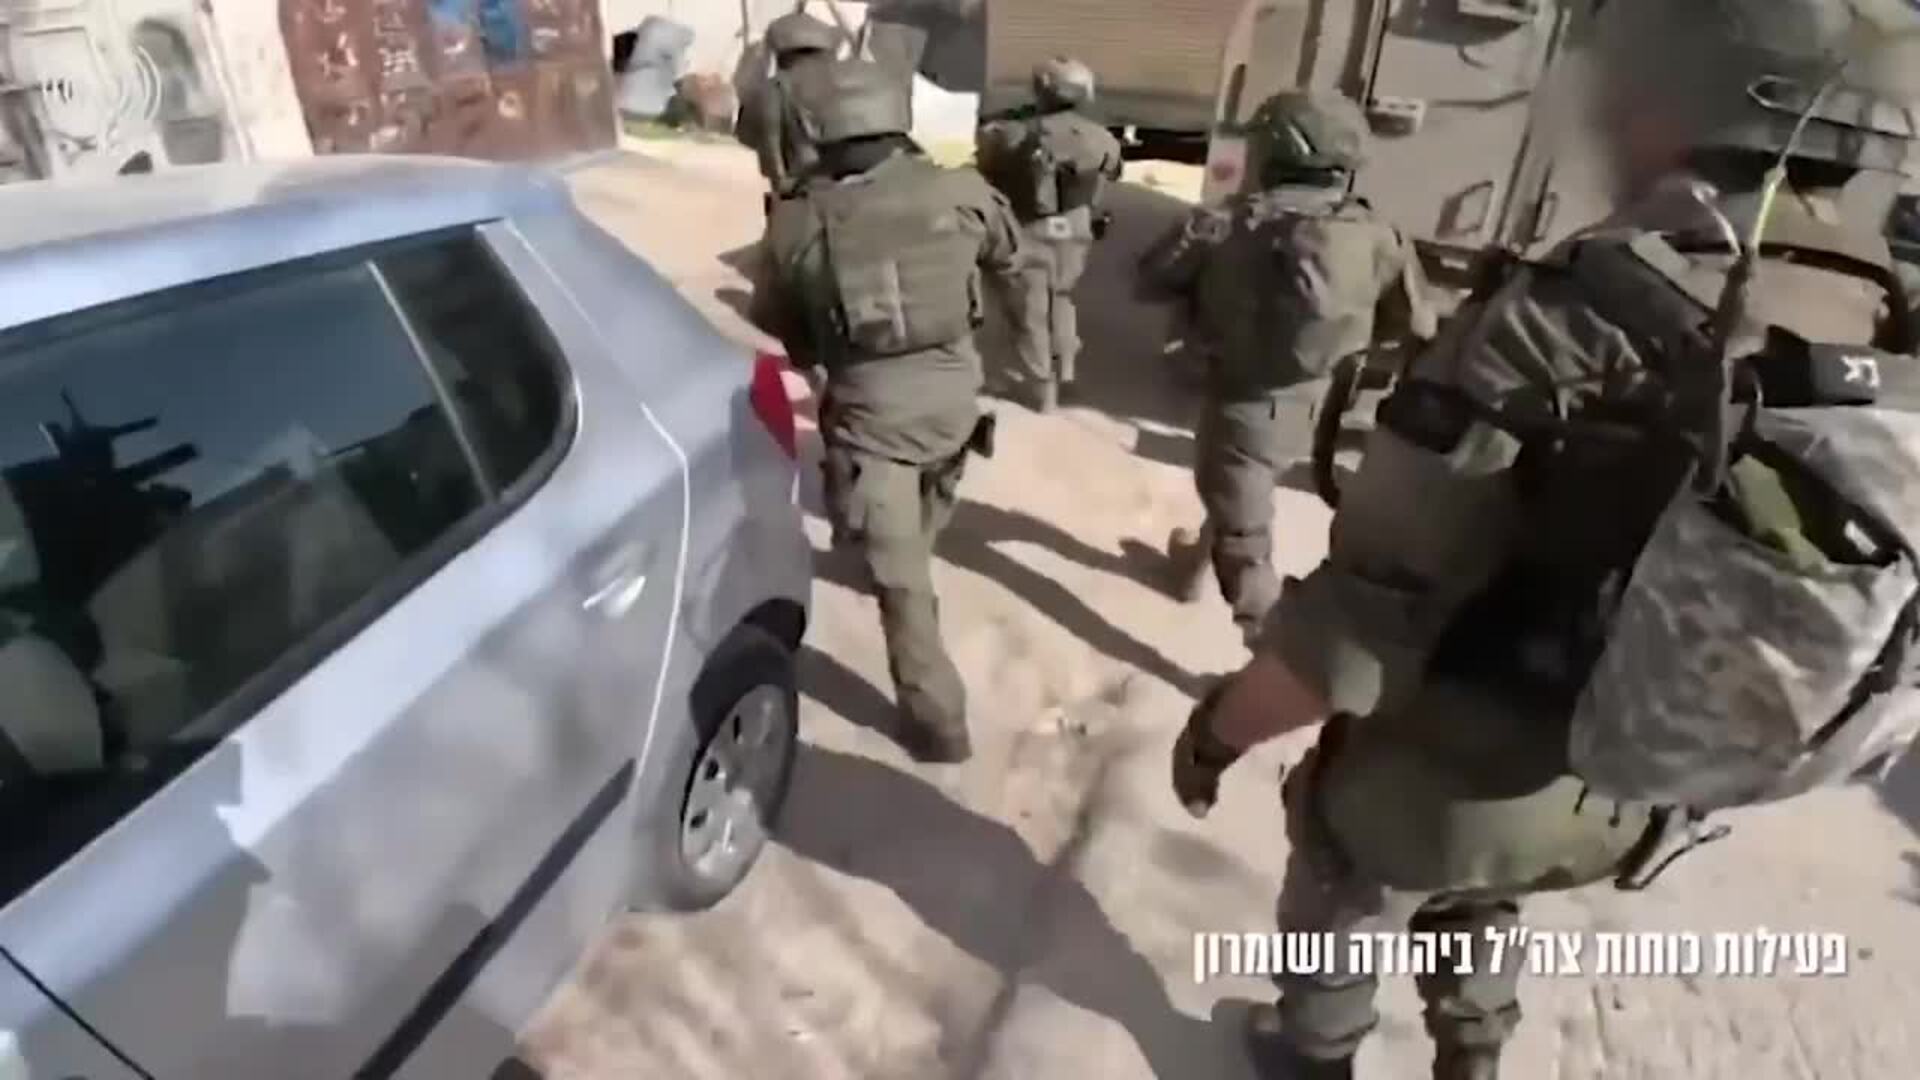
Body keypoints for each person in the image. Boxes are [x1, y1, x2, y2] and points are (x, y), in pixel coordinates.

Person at [1169, 1, 1920, 1078]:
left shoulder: (1576, 312)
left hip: (1469, 781)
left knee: (1351, 849)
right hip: (1647, 784)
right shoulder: (1890, 313)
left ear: (1689, 95)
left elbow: (1358, 630)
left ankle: (1312, 1050)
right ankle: (1473, 1049)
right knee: (1487, 884)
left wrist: (1217, 733)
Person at [752, 59, 1026, 765]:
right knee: (928, 502)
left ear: (818, 131)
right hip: (955, 400)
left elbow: (782, 324)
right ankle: (906, 539)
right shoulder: (964, 190)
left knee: (902, 586)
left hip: (871, 416)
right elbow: (1010, 260)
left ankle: (940, 723)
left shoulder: (798, 219)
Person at [1137, 92, 1435, 645]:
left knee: (1245, 540)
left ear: (1273, 150)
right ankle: (1192, 567)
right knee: (1241, 492)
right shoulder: (1378, 233)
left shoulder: (1226, 223)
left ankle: (1270, 649)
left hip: (1241, 403)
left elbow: (1148, 281)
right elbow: (1415, 325)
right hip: (1314, 400)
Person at [976, 57, 1124, 412]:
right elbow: (1112, 175)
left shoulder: (1008, 133)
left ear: (1040, 89)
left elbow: (984, 172)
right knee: (1062, 297)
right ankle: (1066, 373)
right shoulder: (1102, 138)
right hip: (1075, 228)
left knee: (1028, 310)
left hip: (1026, 228)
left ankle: (1042, 387)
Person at [735, 11, 839, 204]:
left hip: (792, 187)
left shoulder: (772, 88)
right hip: (843, 187)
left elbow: (751, 136)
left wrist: (780, 180)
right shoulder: (846, 84)